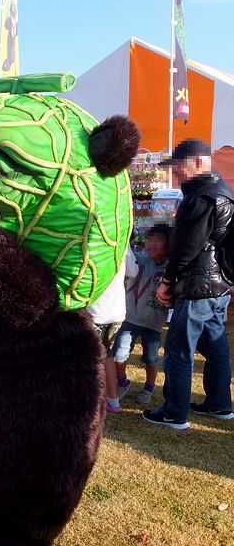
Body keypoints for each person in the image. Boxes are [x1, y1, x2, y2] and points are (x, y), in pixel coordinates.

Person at [143, 138, 234, 429]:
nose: (176, 172)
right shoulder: (222, 190)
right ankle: (220, 404)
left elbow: (186, 248)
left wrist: (167, 280)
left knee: (179, 350)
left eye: (179, 166)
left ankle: (175, 412)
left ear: (197, 162)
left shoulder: (201, 196)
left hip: (197, 286)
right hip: (219, 284)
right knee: (216, 347)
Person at [114, 225, 170, 405]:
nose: (152, 244)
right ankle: (122, 381)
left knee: (151, 359)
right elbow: (126, 251)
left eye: (158, 241)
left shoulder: (170, 269)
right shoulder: (139, 259)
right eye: (150, 239)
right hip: (130, 319)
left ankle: (149, 388)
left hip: (153, 324)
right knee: (119, 353)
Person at [87, 245, 138, 413]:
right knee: (107, 355)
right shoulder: (122, 242)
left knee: (90, 357)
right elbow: (134, 271)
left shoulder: (91, 240)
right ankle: (113, 400)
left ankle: (93, 399)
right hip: (116, 311)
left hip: (94, 310)